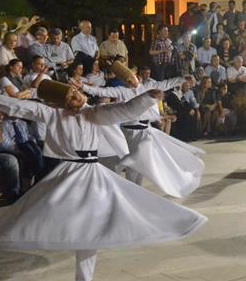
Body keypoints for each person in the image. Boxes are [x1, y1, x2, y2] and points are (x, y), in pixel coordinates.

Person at [0, 78, 206, 281]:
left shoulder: (94, 112)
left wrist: (147, 98)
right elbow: (17, 106)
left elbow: (121, 110)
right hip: (66, 173)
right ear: (60, 101)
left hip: (91, 174)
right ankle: (7, 237)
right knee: (35, 211)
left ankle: (84, 278)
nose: (77, 96)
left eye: (76, 92)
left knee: (90, 225)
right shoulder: (52, 114)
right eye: (70, 96)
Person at [81, 65, 204, 199]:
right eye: (128, 80)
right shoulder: (121, 91)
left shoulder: (147, 87)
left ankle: (136, 192)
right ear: (124, 81)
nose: (132, 81)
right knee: (130, 164)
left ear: (136, 77)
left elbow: (166, 84)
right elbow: (102, 92)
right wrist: (84, 87)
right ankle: (128, 192)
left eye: (133, 78)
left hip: (145, 132)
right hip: (129, 133)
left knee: (141, 164)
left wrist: (181, 79)